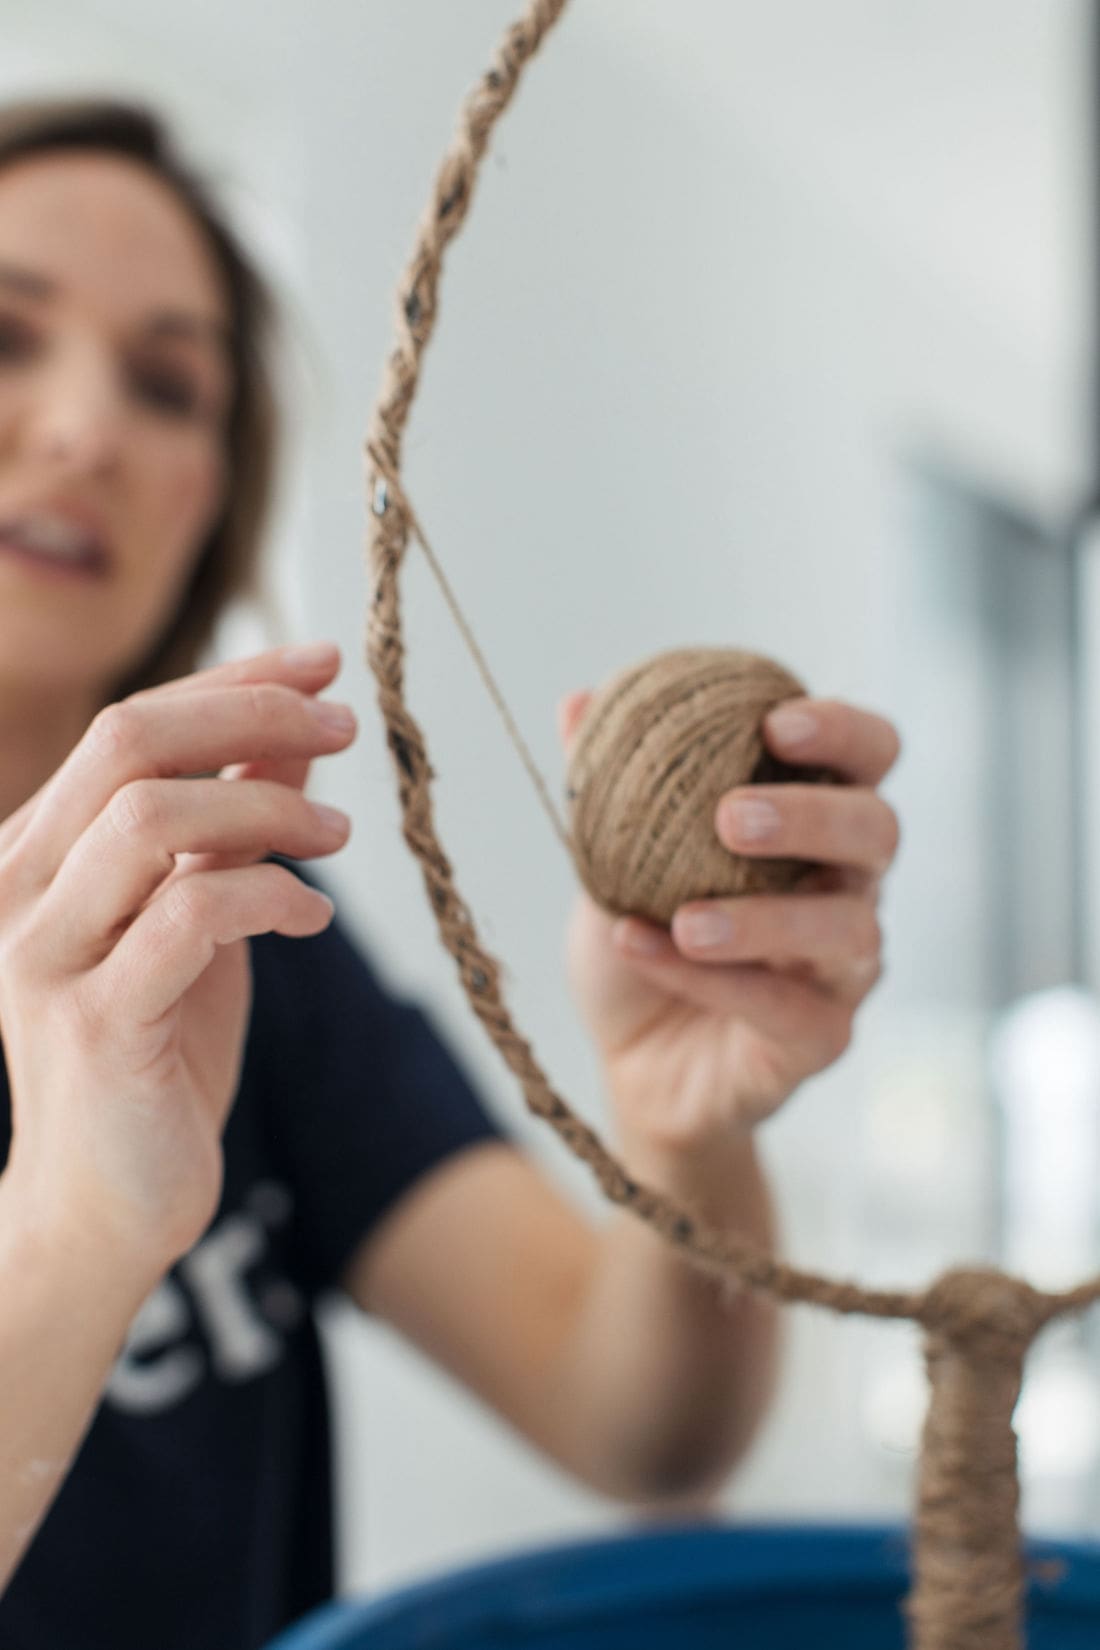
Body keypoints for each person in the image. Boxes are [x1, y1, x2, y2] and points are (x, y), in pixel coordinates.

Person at [0, 97, 902, 1649]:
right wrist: (80, 1229)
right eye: (7, 336)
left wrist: (681, 1133)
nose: (86, 428)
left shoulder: (233, 938)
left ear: (212, 494)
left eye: (168, 384)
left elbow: (639, 1422)